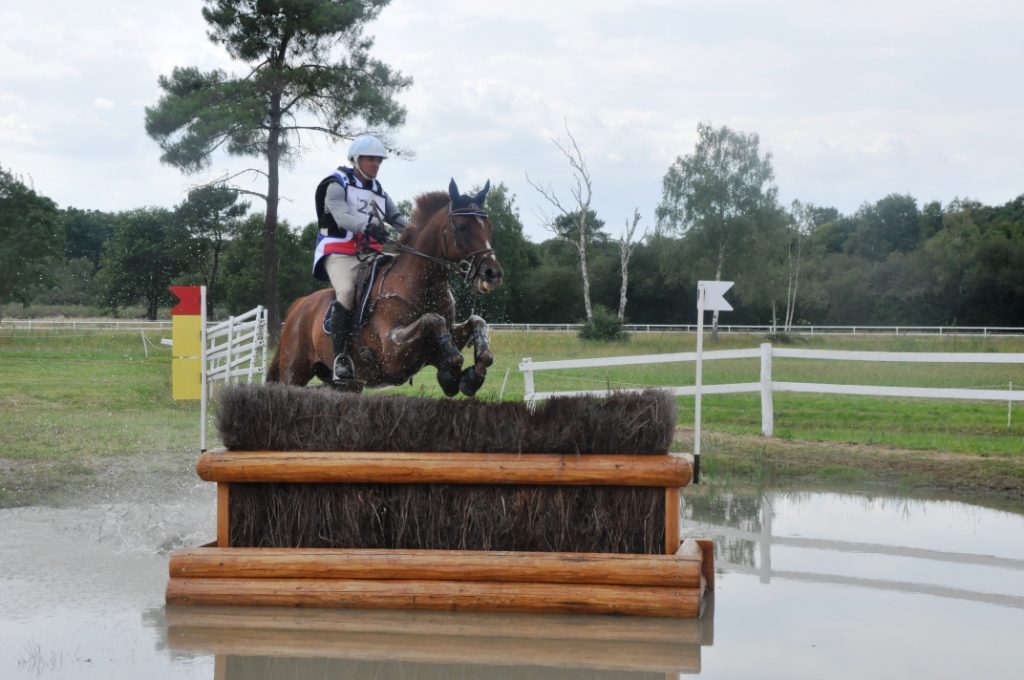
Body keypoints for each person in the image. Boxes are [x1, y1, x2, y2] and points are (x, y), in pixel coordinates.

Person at [312, 134, 410, 381]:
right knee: (346, 291)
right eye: (370, 159)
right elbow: (342, 216)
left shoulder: (379, 190)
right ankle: (341, 358)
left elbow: (397, 218)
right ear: (356, 159)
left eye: (379, 160)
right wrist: (367, 225)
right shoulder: (337, 183)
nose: (375, 164)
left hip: (370, 253)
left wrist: (419, 235)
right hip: (339, 251)